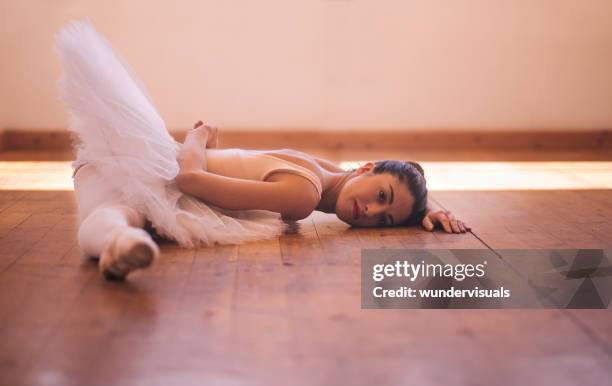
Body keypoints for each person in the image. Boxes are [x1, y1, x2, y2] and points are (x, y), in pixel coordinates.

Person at [57, 20, 468, 279]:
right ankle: (118, 238)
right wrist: (197, 139)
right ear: (365, 168)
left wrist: (426, 209)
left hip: (125, 172)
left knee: (118, 218)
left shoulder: (321, 172)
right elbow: (189, 178)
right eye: (382, 197)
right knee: (122, 213)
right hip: (150, 174)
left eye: (386, 221)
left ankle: (120, 245)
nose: (372, 212)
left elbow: (391, 181)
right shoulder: (305, 194)